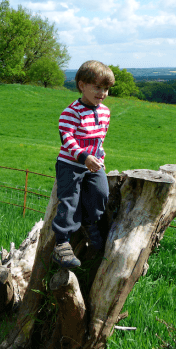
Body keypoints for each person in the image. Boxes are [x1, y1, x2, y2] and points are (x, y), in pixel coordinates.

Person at [52, 60, 115, 268]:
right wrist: (84, 157)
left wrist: (99, 160)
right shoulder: (71, 112)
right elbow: (67, 139)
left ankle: (89, 223)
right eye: (97, 87)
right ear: (82, 85)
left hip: (94, 164)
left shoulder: (105, 112)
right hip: (70, 164)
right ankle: (61, 244)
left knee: (101, 194)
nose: (102, 93)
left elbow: (99, 140)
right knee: (69, 201)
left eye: (105, 88)